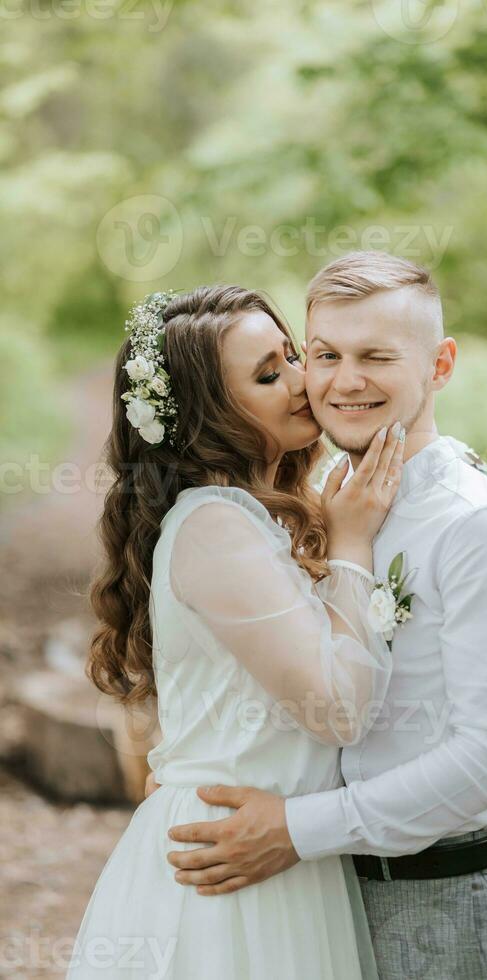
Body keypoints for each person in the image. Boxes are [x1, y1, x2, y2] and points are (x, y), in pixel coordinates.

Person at [165, 253, 487, 979]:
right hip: (329, 905)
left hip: (455, 905)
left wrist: (297, 828)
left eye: (376, 356)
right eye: (324, 355)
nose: (344, 381)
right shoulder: (328, 500)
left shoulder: (479, 527)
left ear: (440, 365)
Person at [66, 283, 406, 979]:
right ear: (205, 417)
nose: (301, 381)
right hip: (231, 862)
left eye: (289, 355)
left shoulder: (256, 516)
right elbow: (335, 709)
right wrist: (351, 546)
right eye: (267, 374)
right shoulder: (217, 525)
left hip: (273, 842)